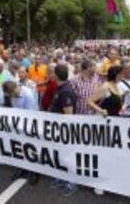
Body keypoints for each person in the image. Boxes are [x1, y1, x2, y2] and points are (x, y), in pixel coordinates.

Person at [49, 64, 78, 197]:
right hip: (58, 129)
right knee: (61, 155)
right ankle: (62, 177)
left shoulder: (65, 91)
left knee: (68, 156)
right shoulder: (60, 88)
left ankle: (71, 183)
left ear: (56, 75)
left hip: (64, 131)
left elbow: (68, 115)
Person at [2, 81, 39, 185]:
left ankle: (35, 172)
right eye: (10, 95)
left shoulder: (28, 94)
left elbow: (30, 113)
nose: (11, 97)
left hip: (30, 124)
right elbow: (15, 109)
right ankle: (23, 168)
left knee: (32, 148)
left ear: (15, 89)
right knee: (20, 147)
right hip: (20, 124)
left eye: (12, 94)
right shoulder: (13, 94)